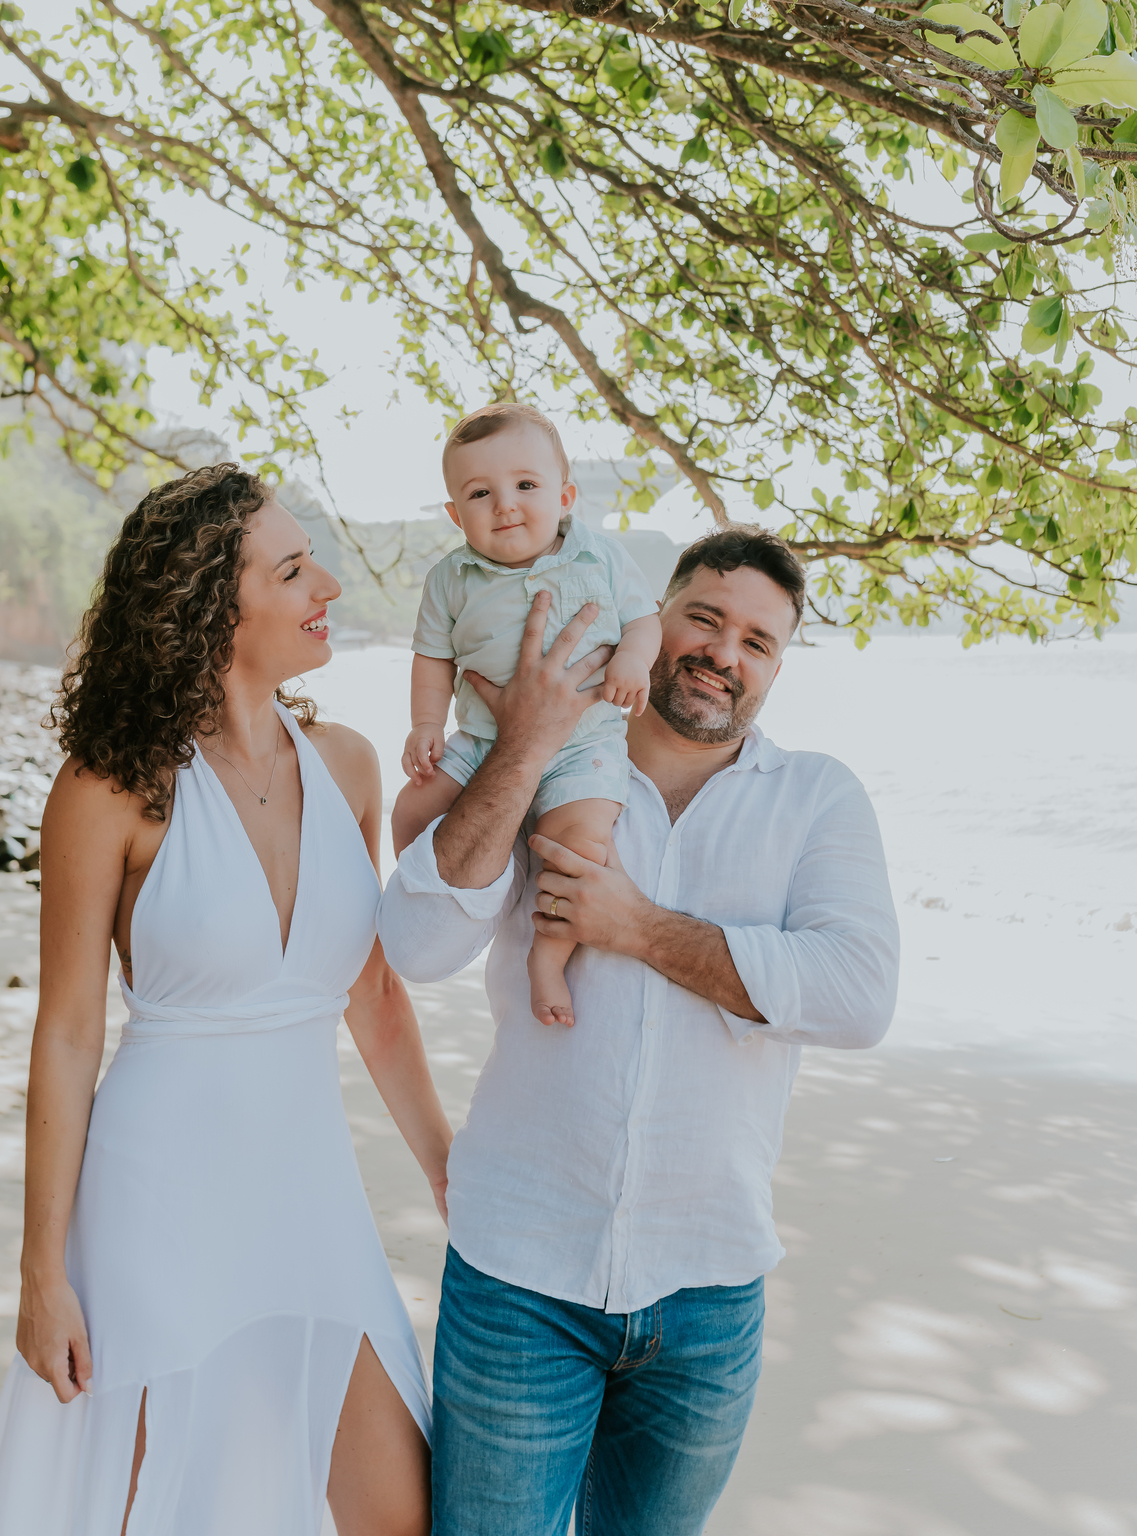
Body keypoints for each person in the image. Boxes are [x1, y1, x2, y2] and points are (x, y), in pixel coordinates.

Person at [381, 525, 900, 1536]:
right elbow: (415, 942)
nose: (723, 652)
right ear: (652, 619)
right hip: (518, 1280)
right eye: (704, 619)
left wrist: (637, 928)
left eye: (758, 641)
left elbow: (857, 993)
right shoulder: (538, 768)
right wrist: (530, 741)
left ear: (778, 667)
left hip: (709, 1290)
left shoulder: (815, 799)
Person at [0, 464, 451, 1536]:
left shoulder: (350, 766)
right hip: (155, 1201)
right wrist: (41, 1271)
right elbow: (69, 1033)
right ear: (208, 608)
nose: (326, 581)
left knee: (398, 1511)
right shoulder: (109, 788)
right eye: (291, 568)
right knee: (146, 1504)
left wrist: (447, 1165)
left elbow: (373, 998)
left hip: (313, 1194)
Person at [397, 403, 660, 1027]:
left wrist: (632, 662)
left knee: (580, 850)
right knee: (415, 802)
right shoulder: (451, 579)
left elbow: (644, 619)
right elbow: (432, 656)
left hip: (582, 744)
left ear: (565, 495)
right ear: (456, 515)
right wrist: (426, 724)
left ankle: (547, 955)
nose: (504, 505)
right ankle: (454, 896)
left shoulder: (603, 558)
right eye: (479, 493)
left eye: (525, 486)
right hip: (483, 739)